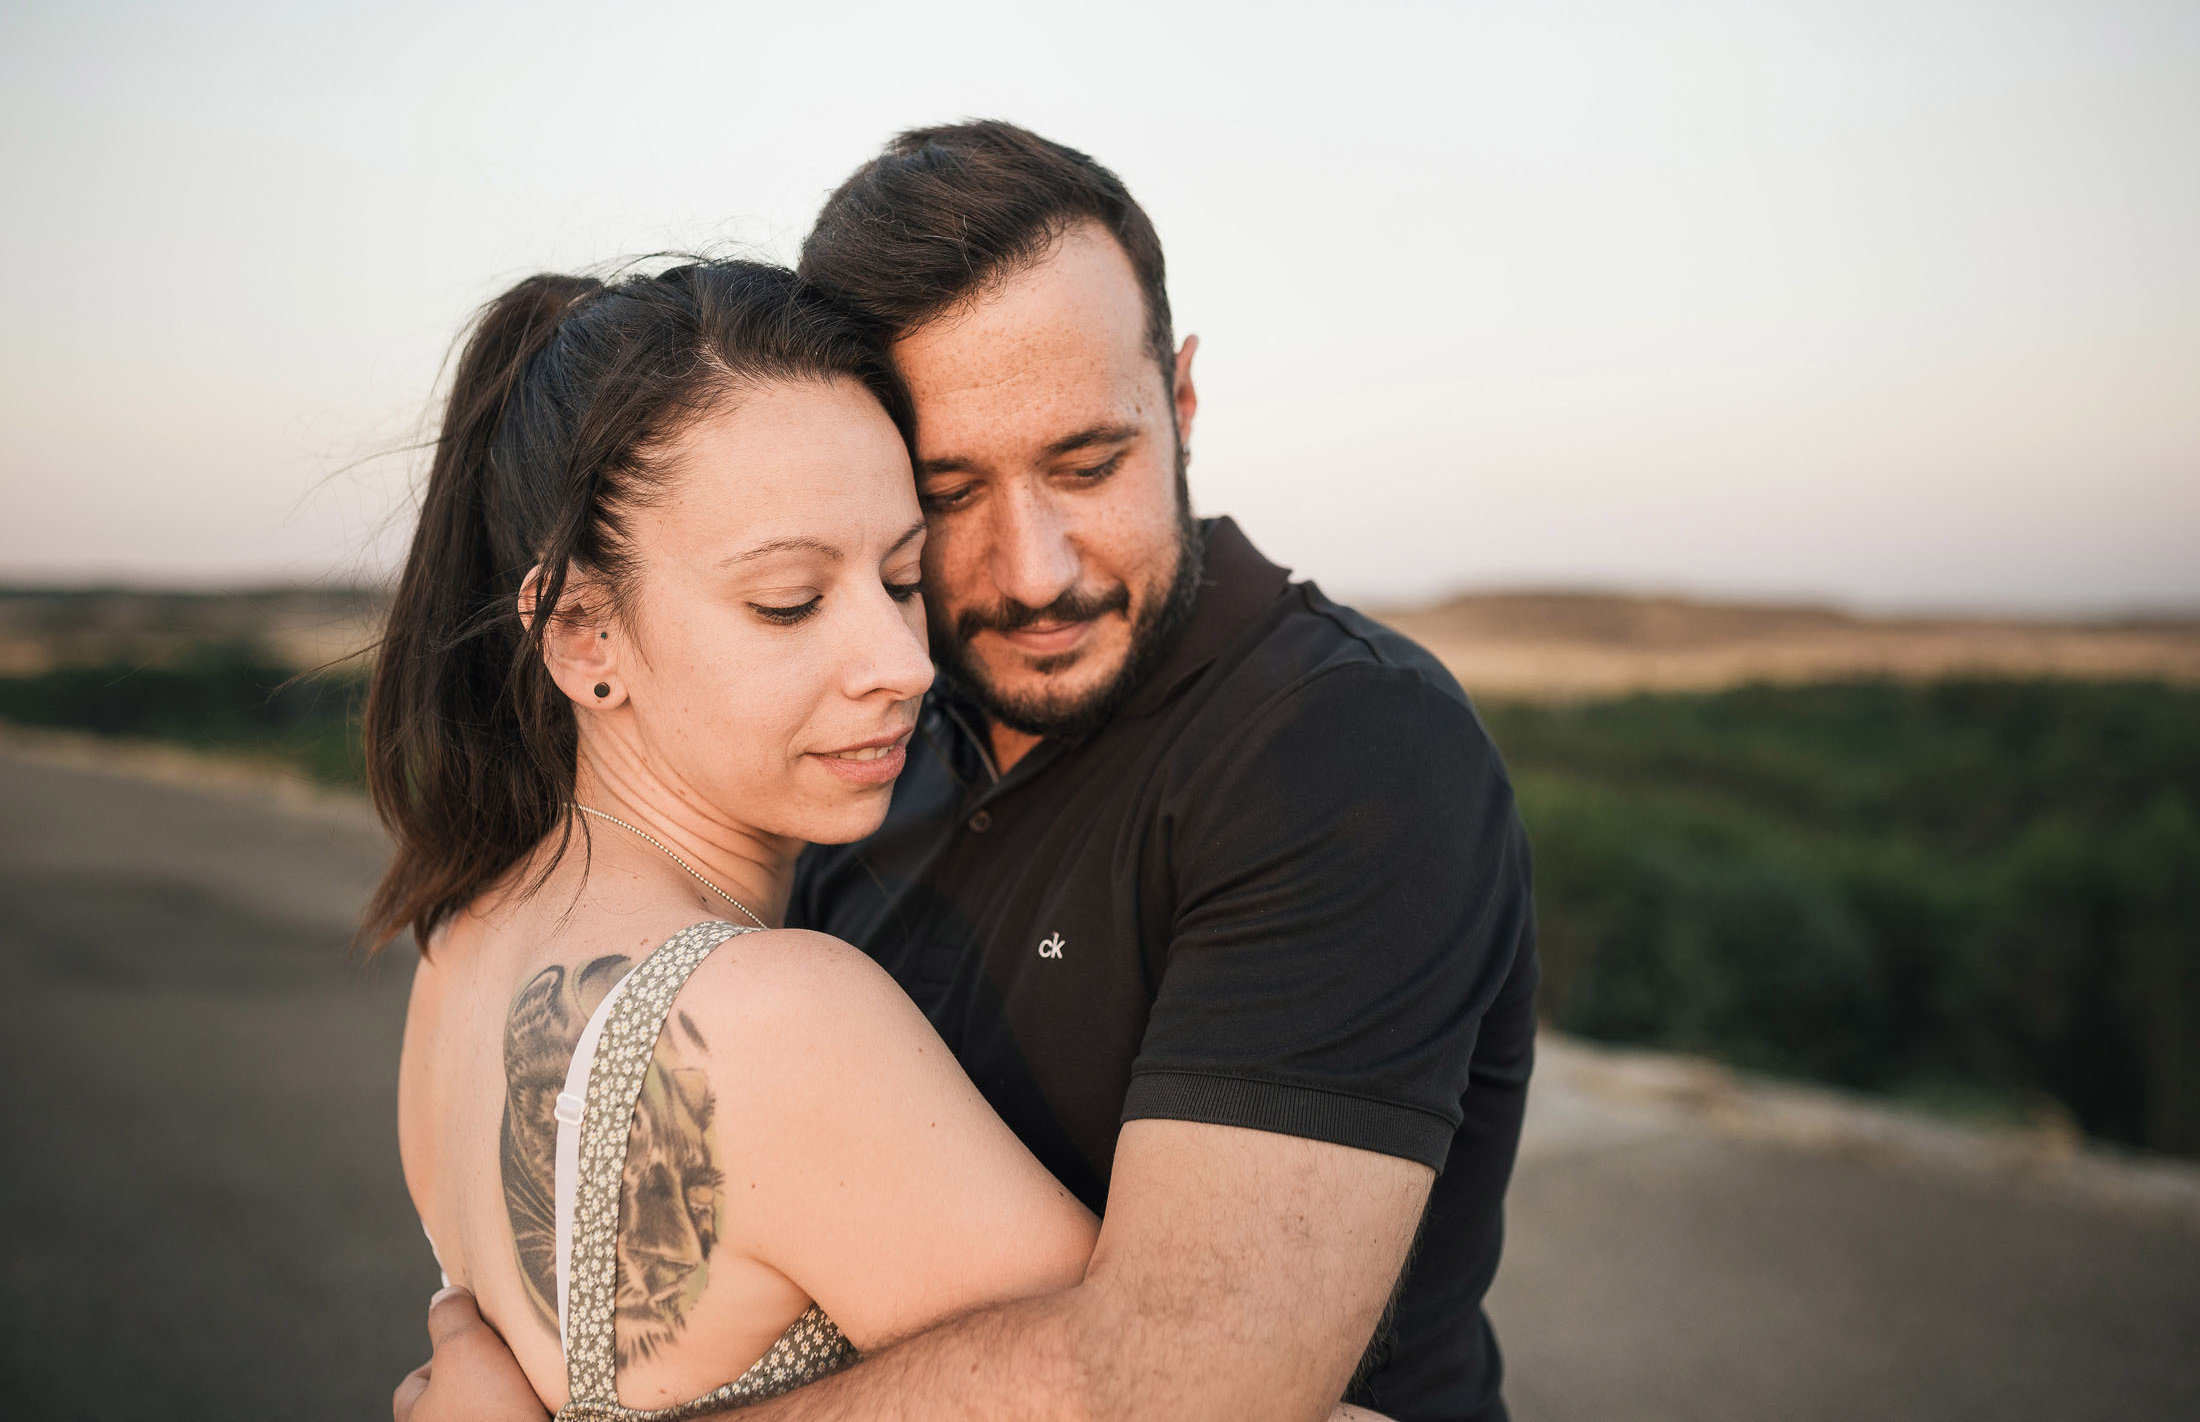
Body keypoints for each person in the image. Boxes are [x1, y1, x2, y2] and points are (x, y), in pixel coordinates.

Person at [396, 122, 1537, 1422]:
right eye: (943, 498)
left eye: (1089, 461)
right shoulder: (859, 761)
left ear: (1184, 400)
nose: (1034, 568)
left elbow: (1182, 1395)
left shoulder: (1338, 745)